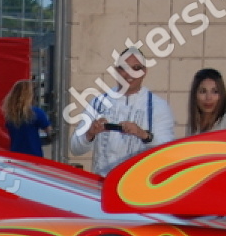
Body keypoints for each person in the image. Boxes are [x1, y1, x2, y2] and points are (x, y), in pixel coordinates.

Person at [69, 48, 176, 177]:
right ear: (116, 71)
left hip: (138, 189)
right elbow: (75, 148)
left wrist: (142, 134)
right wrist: (90, 134)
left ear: (144, 72)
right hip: (102, 186)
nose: (129, 74)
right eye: (124, 68)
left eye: (136, 68)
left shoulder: (157, 106)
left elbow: (168, 152)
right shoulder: (98, 103)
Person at [1, 79, 52, 158]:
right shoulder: (36, 113)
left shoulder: (10, 115)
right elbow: (49, 132)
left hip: (15, 154)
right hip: (33, 155)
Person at [186, 68, 226, 134]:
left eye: (215, 92)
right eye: (203, 91)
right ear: (195, 95)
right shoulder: (193, 124)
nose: (208, 97)